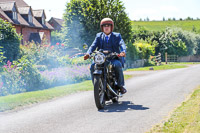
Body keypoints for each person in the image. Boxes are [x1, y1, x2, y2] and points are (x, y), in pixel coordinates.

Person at [84, 18, 127, 94]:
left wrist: (123, 51)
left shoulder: (117, 36)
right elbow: (93, 46)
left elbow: (122, 43)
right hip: (101, 59)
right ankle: (96, 86)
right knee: (92, 66)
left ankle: (120, 86)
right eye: (104, 26)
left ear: (111, 27)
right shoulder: (99, 36)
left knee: (117, 65)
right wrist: (88, 53)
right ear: (102, 27)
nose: (106, 28)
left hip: (113, 58)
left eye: (108, 26)